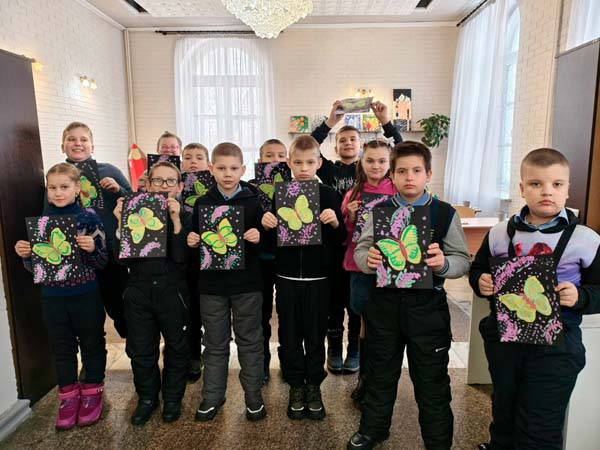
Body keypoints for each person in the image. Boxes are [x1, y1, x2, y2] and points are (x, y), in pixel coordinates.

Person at [469, 148, 600, 450]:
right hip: (505, 342)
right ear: (522, 188)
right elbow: (478, 269)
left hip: (557, 348)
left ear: (568, 189)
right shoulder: (499, 234)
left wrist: (580, 296)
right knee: (504, 412)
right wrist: (480, 281)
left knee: (540, 425)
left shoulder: (586, 239)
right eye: (536, 184)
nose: (547, 192)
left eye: (556, 184)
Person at [348, 141, 470, 450]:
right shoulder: (379, 210)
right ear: (392, 174)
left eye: (416, 170)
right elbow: (362, 249)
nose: (409, 177)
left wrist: (443, 264)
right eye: (401, 171)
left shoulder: (444, 213)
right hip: (384, 306)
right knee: (379, 373)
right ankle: (373, 430)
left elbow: (462, 259)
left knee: (432, 380)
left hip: (427, 308)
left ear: (428, 174)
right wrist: (368, 260)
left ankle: (438, 441)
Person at [311, 101, 403, 373]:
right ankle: (335, 349)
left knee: (360, 309)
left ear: (361, 146)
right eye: (343, 140)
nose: (348, 143)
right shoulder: (330, 171)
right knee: (338, 300)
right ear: (336, 146)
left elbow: (403, 152)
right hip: (341, 247)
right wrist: (331, 121)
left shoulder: (392, 185)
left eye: (353, 139)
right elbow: (311, 146)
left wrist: (385, 121)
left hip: (379, 255)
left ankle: (356, 350)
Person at [15, 162, 107, 430]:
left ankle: (92, 391)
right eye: (52, 187)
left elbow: (102, 261)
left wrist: (92, 248)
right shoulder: (41, 223)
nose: (58, 192)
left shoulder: (89, 218)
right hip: (53, 298)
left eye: (64, 187)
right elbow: (38, 267)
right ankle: (68, 396)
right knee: (61, 346)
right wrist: (27, 255)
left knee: (91, 343)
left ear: (77, 188)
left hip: (86, 296)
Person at [262, 135, 347, 421]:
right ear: (288, 163)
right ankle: (296, 385)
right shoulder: (280, 195)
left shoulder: (329, 195)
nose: (303, 168)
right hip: (286, 278)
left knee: (315, 335)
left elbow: (340, 240)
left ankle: (314, 386)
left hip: (319, 279)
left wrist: (334, 223)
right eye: (298, 162)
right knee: (289, 334)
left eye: (310, 162)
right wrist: (268, 225)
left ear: (319, 163)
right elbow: (272, 241)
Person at [187, 143, 266, 422]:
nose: (228, 173)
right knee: (214, 343)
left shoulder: (254, 201)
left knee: (250, 341)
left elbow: (269, 241)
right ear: (211, 169)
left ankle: (253, 396)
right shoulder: (202, 202)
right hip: (212, 287)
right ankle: (212, 395)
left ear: (243, 169)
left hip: (247, 285)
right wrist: (192, 240)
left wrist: (260, 236)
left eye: (233, 168)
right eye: (221, 168)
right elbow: (195, 241)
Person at [114, 162, 191, 425]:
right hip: (138, 290)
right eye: (158, 181)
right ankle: (147, 398)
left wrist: (176, 221)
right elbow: (121, 260)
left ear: (180, 187)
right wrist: (120, 223)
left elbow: (182, 259)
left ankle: (172, 398)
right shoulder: (135, 212)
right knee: (141, 349)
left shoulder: (186, 216)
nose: (164, 186)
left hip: (172, 290)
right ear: (147, 184)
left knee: (177, 346)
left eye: (170, 181)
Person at [60, 121, 131, 338]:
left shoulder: (109, 170)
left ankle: (134, 347)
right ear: (63, 146)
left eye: (83, 139)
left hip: (110, 253)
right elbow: (48, 212)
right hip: (77, 256)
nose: (78, 143)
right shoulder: (58, 176)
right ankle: (94, 351)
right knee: (87, 312)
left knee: (120, 306)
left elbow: (134, 201)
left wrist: (118, 190)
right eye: (71, 139)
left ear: (93, 146)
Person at [341, 139, 396, 405]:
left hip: (392, 266)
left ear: (390, 163)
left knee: (386, 322)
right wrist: (350, 217)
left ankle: (380, 378)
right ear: (361, 162)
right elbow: (346, 234)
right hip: (360, 266)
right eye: (370, 160)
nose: (376, 166)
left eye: (382, 161)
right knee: (364, 318)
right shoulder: (353, 194)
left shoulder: (397, 190)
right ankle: (364, 378)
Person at [255, 138, 288, 384]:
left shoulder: (299, 187)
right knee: (261, 314)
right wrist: (261, 224)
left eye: (280, 155)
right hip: (259, 261)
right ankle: (262, 361)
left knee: (287, 314)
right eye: (269, 156)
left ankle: (287, 359)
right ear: (260, 160)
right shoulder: (250, 189)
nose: (275, 160)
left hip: (287, 260)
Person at [180, 142, 211, 382]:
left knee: (208, 307)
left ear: (208, 165)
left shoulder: (215, 190)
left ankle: (212, 351)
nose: (193, 162)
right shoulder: (175, 190)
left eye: (199, 157)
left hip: (211, 257)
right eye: (188, 157)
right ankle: (191, 353)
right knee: (189, 307)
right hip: (184, 259)